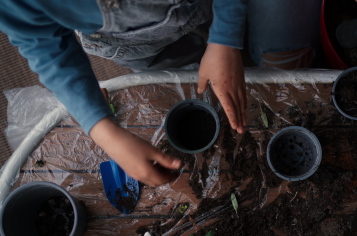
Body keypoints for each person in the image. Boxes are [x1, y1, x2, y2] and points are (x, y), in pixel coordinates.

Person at [0, 0, 321, 187]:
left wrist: (225, 36)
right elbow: (41, 41)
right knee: (183, 79)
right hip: (129, 40)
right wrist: (104, 130)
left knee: (282, 63)